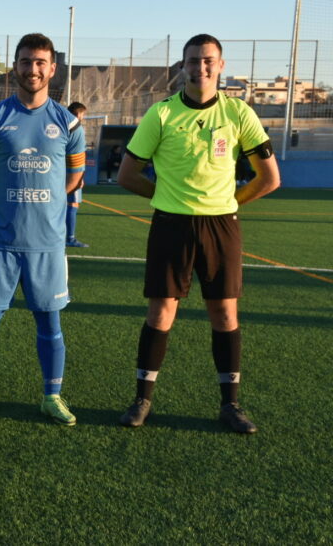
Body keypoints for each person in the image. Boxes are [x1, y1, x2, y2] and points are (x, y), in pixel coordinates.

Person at [117, 34, 280, 433]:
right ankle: (142, 400)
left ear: (220, 65)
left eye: (208, 60)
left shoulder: (238, 113)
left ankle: (231, 405)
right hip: (171, 224)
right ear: (182, 67)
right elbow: (127, 174)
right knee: (160, 312)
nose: (200, 67)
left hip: (221, 225)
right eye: (193, 61)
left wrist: (231, 203)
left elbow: (269, 178)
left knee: (224, 313)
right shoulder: (161, 114)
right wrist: (166, 197)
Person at [0, 33, 86, 426]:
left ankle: (52, 396)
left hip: (47, 244)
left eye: (41, 62)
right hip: (0, 242)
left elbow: (74, 176)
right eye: (26, 61)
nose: (33, 69)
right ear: (15, 67)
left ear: (53, 69)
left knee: (50, 324)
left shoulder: (69, 122)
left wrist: (45, 206)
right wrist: (5, 208)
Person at [65, 102, 89, 248]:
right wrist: (79, 178)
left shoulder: (62, 126)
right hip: (71, 173)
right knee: (72, 203)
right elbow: (78, 157)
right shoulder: (76, 129)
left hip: (62, 172)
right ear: (78, 114)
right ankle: (70, 238)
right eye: (83, 114)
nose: (83, 117)